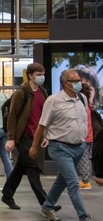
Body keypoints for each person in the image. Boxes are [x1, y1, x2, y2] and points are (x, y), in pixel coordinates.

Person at [29, 69, 91, 221]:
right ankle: (83, 216)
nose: (78, 84)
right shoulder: (53, 100)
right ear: (65, 83)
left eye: (79, 81)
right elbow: (42, 125)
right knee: (72, 182)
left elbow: (83, 123)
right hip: (60, 147)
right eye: (74, 81)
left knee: (62, 180)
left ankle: (47, 206)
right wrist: (34, 146)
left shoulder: (82, 98)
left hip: (78, 147)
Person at [1, 62, 55, 211]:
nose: (41, 77)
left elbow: (44, 116)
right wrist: (11, 138)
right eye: (38, 74)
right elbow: (12, 115)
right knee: (33, 169)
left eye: (42, 74)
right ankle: (46, 204)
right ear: (30, 75)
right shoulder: (21, 92)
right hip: (23, 136)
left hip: (35, 135)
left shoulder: (43, 92)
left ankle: (7, 194)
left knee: (20, 168)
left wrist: (46, 135)